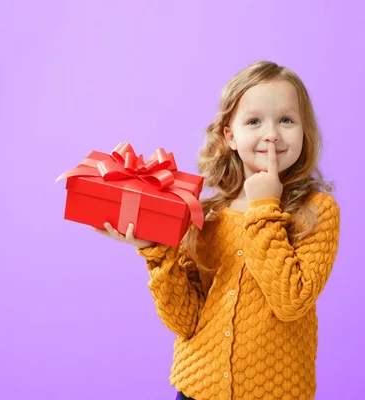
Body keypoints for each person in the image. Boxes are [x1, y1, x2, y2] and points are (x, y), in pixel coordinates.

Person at [95, 60, 340, 400]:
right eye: (254, 121)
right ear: (231, 136)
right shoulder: (206, 214)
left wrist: (265, 207)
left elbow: (291, 301)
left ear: (304, 131)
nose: (271, 133)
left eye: (286, 119)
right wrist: (156, 249)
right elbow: (184, 320)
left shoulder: (316, 211)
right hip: (196, 390)